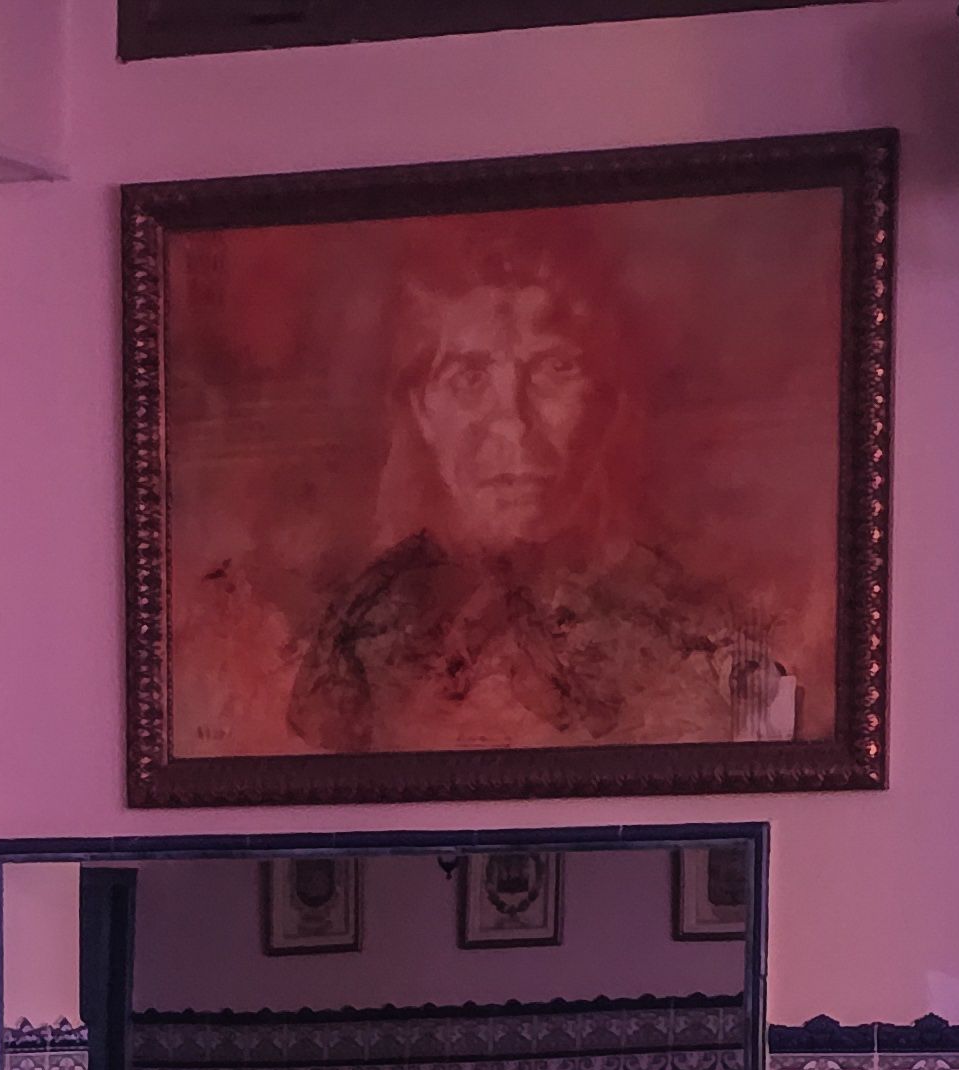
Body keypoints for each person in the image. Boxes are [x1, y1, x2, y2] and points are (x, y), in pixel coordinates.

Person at [289, 220, 801, 758]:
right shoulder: (359, 634)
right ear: (422, 411)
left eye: (556, 369)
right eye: (469, 378)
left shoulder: (697, 624)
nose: (513, 426)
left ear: (604, 401)